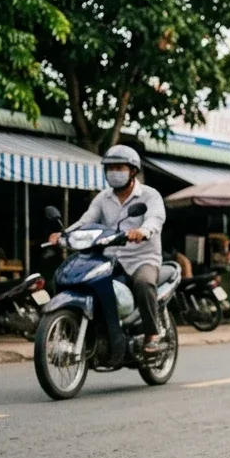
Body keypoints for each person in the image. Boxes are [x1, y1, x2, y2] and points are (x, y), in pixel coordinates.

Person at [49, 145, 166, 352]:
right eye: (110, 168)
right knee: (81, 279)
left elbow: (155, 219)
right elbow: (86, 221)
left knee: (144, 283)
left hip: (142, 258)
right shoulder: (103, 198)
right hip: (110, 258)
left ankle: (151, 335)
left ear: (133, 171)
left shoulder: (150, 195)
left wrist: (143, 231)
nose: (114, 172)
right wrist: (64, 234)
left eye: (119, 167)